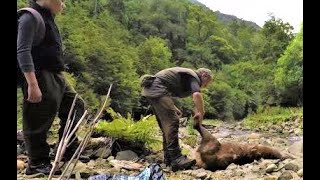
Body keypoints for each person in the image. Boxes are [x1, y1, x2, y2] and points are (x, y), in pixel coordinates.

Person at [17, 0, 89, 175]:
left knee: (76, 105)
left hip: (56, 74)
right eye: (61, 0)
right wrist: (32, 84)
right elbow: (22, 51)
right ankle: (37, 163)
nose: (63, 4)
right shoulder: (29, 16)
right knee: (38, 118)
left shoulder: (46, 16)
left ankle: (66, 148)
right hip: (40, 74)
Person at [140, 67, 213, 172]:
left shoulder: (188, 75)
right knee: (172, 121)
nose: (205, 86)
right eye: (207, 83)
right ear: (204, 75)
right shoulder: (194, 77)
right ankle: (177, 159)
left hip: (152, 88)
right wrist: (201, 112)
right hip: (156, 89)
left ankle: (169, 158)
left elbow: (166, 88)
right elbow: (197, 94)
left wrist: (173, 108)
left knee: (166, 125)